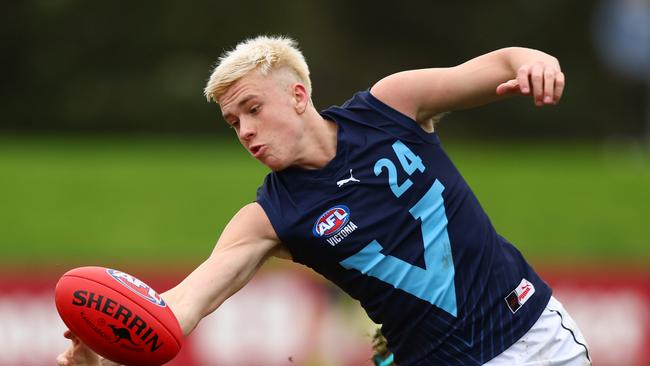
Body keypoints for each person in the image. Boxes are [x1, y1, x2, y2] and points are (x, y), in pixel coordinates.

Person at [57, 35, 591, 366]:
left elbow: (498, 64)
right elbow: (183, 304)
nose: (244, 131)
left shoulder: (391, 106)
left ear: (297, 95)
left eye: (251, 109)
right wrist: (109, 351)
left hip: (538, 336)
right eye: (232, 122)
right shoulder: (269, 217)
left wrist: (531, 59)